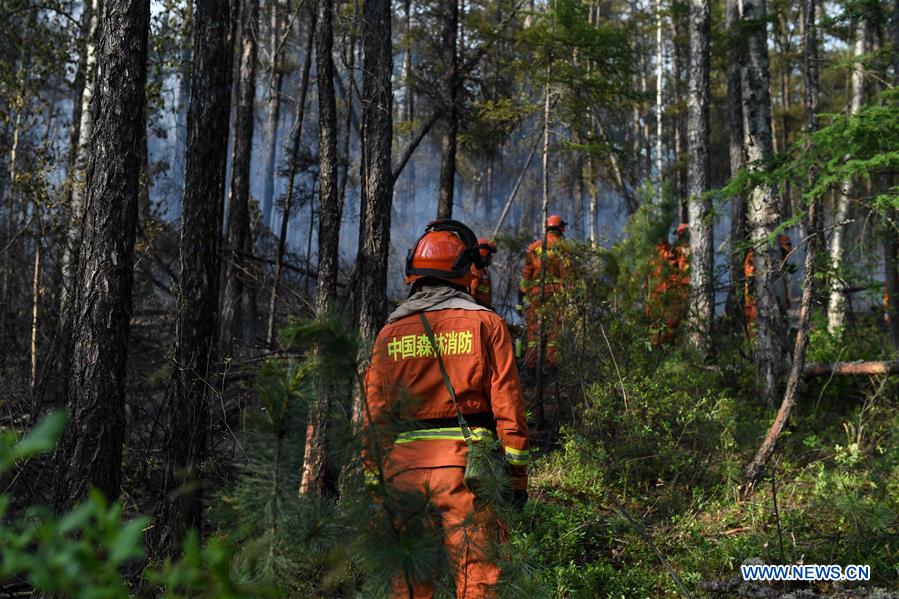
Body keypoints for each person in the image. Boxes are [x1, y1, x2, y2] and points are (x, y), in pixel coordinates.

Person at [363, 219, 530, 598]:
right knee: (480, 579)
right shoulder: (487, 324)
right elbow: (510, 412)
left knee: (409, 583)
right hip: (470, 477)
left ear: (414, 272)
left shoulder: (389, 334)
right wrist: (515, 483)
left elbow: (373, 419)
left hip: (402, 475)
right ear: (464, 271)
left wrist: (376, 488)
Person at [518, 215, 568, 372]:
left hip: (535, 296)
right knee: (554, 331)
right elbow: (569, 274)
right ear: (561, 228)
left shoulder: (534, 247)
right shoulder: (563, 248)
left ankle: (532, 367)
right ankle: (551, 366)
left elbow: (526, 275)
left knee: (533, 331)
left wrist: (520, 296)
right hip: (555, 295)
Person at [646, 223, 690, 344]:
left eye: (684, 234)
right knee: (656, 328)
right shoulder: (659, 254)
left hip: (674, 297)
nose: (681, 237)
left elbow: (684, 276)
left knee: (671, 328)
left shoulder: (680, 254)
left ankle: (668, 349)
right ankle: (657, 353)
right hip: (659, 298)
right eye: (679, 235)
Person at [743, 234, 793, 335]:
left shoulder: (781, 238)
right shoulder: (755, 250)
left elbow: (788, 251)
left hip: (777, 289)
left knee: (780, 317)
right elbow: (748, 269)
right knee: (754, 317)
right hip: (756, 290)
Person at [470, 238, 497, 309]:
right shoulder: (475, 270)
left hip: (483, 308)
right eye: (489, 254)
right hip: (477, 309)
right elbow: (471, 293)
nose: (491, 257)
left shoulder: (485, 273)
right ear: (483, 253)